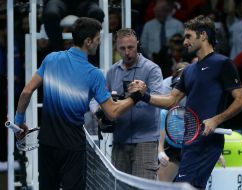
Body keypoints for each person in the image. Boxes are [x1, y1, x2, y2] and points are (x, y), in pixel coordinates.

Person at [13, 17, 145, 190]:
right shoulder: (94, 74)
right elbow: (112, 112)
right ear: (88, 41)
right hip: (73, 148)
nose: (98, 44)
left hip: (46, 143)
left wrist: (19, 121)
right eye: (97, 40)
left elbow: (26, 92)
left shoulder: (51, 59)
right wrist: (136, 97)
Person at [132, 15, 242, 189]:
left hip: (208, 143)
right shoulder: (189, 70)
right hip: (189, 141)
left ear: (203, 36)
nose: (185, 42)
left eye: (188, 36)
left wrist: (216, 119)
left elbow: (241, 101)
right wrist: (143, 96)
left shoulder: (223, 63)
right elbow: (171, 100)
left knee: (184, 186)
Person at [106, 28, 163, 180]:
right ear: (116, 47)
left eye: (130, 47)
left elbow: (160, 100)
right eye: (122, 48)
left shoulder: (152, 69)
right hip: (120, 141)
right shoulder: (112, 71)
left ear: (138, 44)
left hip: (145, 141)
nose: (127, 52)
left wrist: (143, 95)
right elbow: (103, 100)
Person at [158, 62, 188, 182]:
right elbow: (159, 142)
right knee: (163, 181)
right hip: (171, 151)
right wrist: (160, 153)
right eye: (177, 87)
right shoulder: (164, 113)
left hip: (191, 151)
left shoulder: (199, 109)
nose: (180, 93)